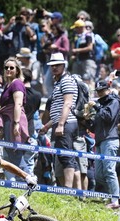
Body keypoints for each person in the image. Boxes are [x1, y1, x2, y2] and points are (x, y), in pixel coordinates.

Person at [85, 80, 120, 208]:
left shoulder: (114, 102)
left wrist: (96, 106)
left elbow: (108, 117)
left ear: (108, 89)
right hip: (100, 141)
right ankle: (118, 196)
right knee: (99, 174)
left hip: (110, 140)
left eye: (102, 90)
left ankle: (115, 200)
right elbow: (94, 128)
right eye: (98, 91)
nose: (100, 93)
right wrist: (88, 120)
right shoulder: (101, 104)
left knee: (109, 170)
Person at [45, 52, 79, 188]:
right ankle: (77, 191)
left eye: (58, 65)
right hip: (62, 122)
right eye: (52, 65)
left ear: (64, 65)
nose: (54, 68)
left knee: (66, 157)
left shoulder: (66, 80)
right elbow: (58, 107)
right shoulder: (58, 81)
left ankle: (68, 190)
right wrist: (49, 125)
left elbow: (67, 103)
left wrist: (60, 124)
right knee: (68, 157)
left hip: (66, 123)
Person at [0, 57, 31, 179]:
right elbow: (6, 103)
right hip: (8, 120)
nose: (8, 69)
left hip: (14, 120)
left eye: (12, 67)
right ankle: (24, 181)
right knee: (12, 154)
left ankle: (29, 181)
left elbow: (18, 104)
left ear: (17, 70)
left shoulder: (17, 83)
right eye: (6, 67)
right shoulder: (8, 85)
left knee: (15, 155)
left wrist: (16, 124)